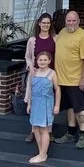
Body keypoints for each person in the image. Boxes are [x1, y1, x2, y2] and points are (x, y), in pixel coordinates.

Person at [53, 9, 84, 149]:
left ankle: (83, 135)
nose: (71, 23)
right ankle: (71, 132)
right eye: (68, 20)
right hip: (61, 80)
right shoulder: (63, 33)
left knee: (79, 108)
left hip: (75, 80)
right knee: (70, 107)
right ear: (65, 21)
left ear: (78, 21)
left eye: (74, 20)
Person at [23, 13, 57, 142]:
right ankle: (33, 130)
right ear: (39, 24)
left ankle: (49, 131)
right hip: (36, 75)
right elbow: (27, 56)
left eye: (48, 23)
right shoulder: (32, 40)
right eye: (44, 23)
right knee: (35, 102)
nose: (46, 25)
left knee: (48, 102)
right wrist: (31, 67)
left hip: (49, 76)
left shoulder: (55, 39)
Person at [24, 50, 59, 164]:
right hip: (35, 102)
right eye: (40, 60)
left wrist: (57, 105)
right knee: (35, 128)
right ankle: (41, 152)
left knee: (44, 129)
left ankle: (43, 154)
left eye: (45, 60)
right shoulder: (33, 73)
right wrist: (29, 103)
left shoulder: (52, 73)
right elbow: (30, 89)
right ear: (37, 61)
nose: (42, 62)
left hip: (46, 103)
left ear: (49, 61)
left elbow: (57, 90)